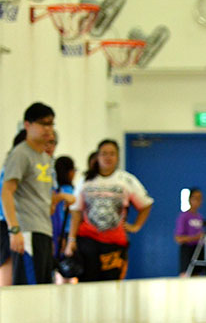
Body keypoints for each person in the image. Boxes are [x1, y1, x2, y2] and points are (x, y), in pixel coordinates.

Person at [65, 139, 153, 281]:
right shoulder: (86, 180)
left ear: (117, 157)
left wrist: (136, 226)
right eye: (104, 153)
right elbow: (76, 212)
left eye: (112, 154)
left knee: (111, 282)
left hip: (114, 242)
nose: (108, 157)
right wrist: (71, 240)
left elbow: (146, 204)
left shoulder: (126, 180)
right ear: (97, 156)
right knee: (88, 282)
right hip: (88, 240)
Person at [0, 103, 58, 285]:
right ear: (27, 125)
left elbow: (42, 198)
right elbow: (6, 192)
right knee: (29, 290)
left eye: (51, 124)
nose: (48, 129)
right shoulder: (20, 154)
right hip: (26, 231)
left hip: (43, 231)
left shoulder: (45, 157)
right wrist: (14, 229)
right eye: (43, 124)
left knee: (44, 288)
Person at [0, 130, 29, 286]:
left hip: (18, 225)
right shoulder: (12, 168)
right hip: (8, 225)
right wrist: (14, 230)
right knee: (8, 278)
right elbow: (6, 195)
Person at [52, 156, 77, 283]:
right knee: (66, 271)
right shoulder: (69, 191)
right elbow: (69, 217)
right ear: (70, 172)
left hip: (55, 233)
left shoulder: (54, 191)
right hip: (65, 234)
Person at [174, 187, 205, 276]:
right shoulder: (184, 216)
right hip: (187, 249)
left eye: (200, 198)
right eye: (195, 198)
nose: (198, 201)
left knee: (197, 275)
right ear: (190, 199)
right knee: (186, 275)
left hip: (198, 249)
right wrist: (194, 237)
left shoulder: (200, 217)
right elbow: (178, 238)